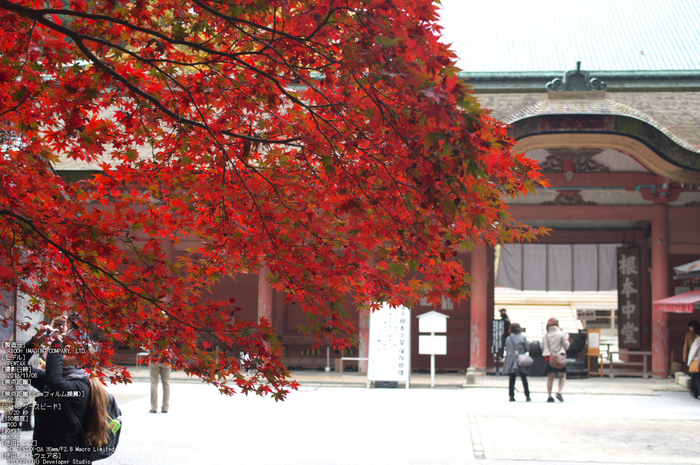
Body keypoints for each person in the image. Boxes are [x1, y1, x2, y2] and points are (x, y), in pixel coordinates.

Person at [17, 318, 111, 465]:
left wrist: (56, 343)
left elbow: (55, 382)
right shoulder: (54, 382)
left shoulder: (81, 387)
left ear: (80, 363)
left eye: (67, 352)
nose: (61, 353)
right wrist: (34, 343)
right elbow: (18, 367)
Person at [542, 317, 570, 403]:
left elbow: (542, 347)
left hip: (549, 358)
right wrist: (567, 338)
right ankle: (559, 391)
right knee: (562, 376)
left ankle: (549, 396)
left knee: (550, 378)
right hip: (560, 357)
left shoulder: (545, 335)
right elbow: (566, 346)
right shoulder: (561, 334)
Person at [503, 323, 531, 402]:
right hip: (520, 359)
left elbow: (507, 348)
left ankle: (511, 396)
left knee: (512, 378)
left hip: (511, 359)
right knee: (524, 378)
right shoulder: (523, 337)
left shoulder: (508, 338)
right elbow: (527, 348)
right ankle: (527, 395)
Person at [687, 327, 700, 399]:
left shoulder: (697, 341)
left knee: (696, 378)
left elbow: (692, 353)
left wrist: (689, 363)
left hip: (697, 362)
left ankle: (695, 392)